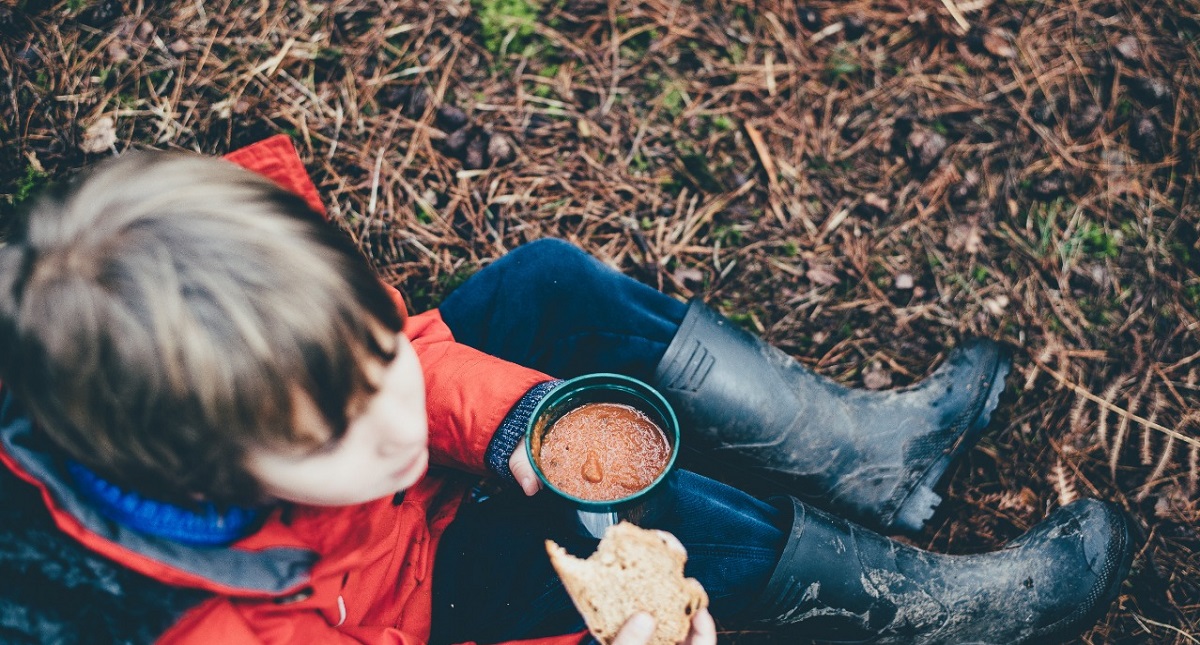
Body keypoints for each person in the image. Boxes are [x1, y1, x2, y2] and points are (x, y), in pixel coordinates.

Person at [0, 136, 1133, 645]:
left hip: (416, 513)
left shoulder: (243, 327)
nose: (396, 416)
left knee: (546, 287)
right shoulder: (209, 626)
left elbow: (412, 353)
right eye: (345, 424)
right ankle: (934, 614)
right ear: (205, 474)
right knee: (656, 526)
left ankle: (874, 456)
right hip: (424, 605)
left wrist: (507, 428)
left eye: (375, 362)